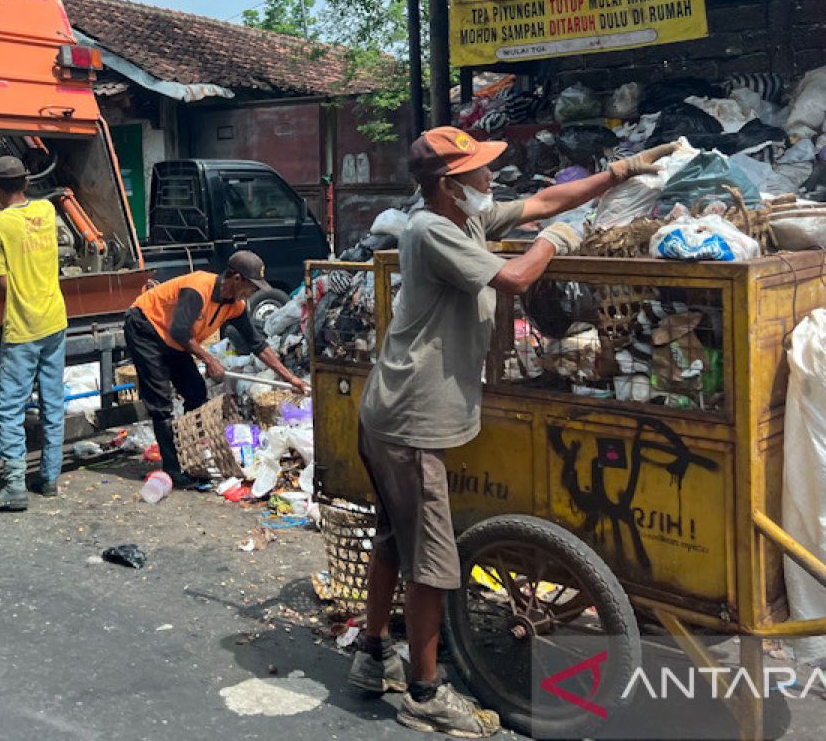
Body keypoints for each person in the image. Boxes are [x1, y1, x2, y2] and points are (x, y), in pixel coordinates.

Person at [348, 127, 678, 737]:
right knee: (432, 561)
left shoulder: (465, 217)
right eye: (480, 172)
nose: (492, 179)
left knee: (396, 539)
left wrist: (623, 169)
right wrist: (555, 242)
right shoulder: (435, 230)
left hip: (391, 411)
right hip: (411, 422)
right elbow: (519, 278)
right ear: (451, 186)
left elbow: (548, 201)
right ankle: (424, 691)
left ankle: (372, 656)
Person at [124, 250, 308, 488]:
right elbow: (180, 331)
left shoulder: (236, 306)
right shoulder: (198, 288)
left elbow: (257, 344)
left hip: (175, 340)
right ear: (236, 278)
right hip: (146, 328)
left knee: (197, 393)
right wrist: (209, 359)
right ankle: (173, 469)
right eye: (251, 287)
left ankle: (188, 455)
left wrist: (290, 377)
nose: (252, 293)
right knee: (161, 402)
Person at [0, 156, 68, 512]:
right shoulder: (46, 211)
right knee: (52, 401)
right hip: (55, 319)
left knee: (10, 408)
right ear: (26, 184)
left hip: (23, 325)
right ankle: (49, 479)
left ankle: (14, 486)